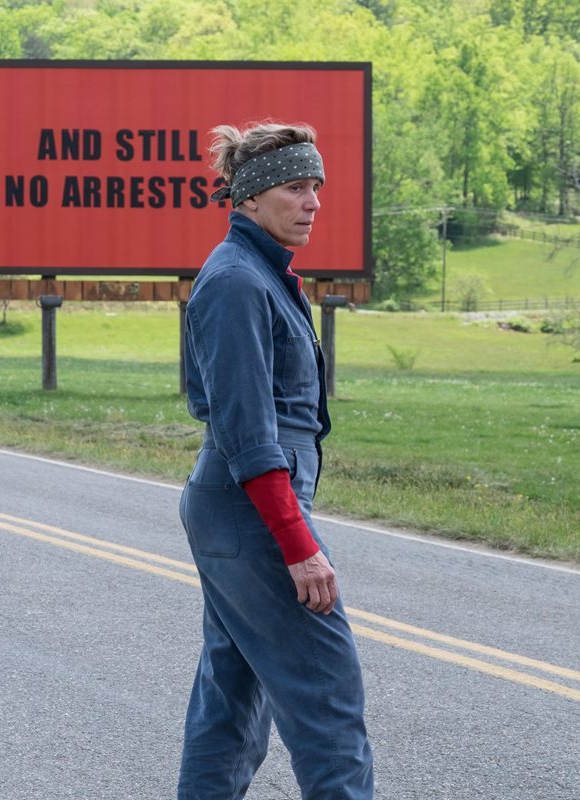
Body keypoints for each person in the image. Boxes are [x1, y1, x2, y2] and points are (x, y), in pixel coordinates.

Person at [177, 122, 374, 799]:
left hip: (242, 504)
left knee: (232, 699)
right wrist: (298, 544)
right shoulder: (236, 282)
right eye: (296, 187)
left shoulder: (259, 274)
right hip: (250, 506)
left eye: (317, 187)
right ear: (251, 198)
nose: (313, 202)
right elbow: (248, 433)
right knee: (327, 699)